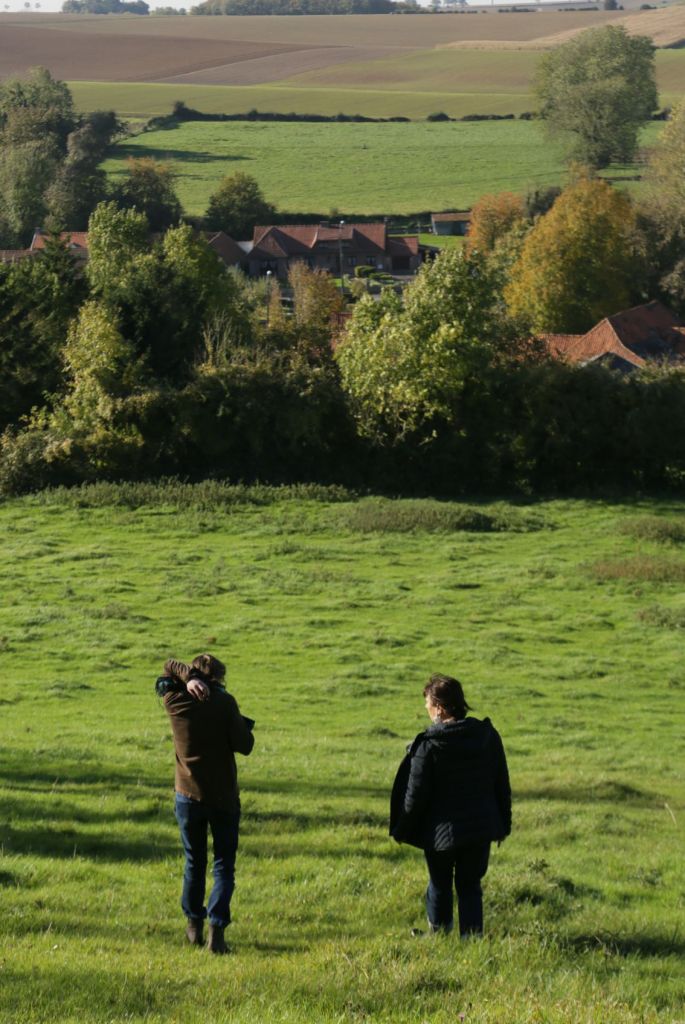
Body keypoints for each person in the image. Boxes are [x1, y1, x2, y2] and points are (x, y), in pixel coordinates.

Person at [390, 673, 511, 938]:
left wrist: (401, 828)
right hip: (480, 829)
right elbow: (501, 783)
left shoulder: (429, 745)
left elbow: (415, 796)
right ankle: (472, 939)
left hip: (441, 834)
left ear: (440, 708)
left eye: (428, 703)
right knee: (470, 885)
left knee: (440, 883)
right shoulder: (487, 737)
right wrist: (504, 824)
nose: (425, 708)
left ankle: (439, 935)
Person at [155, 653, 255, 954]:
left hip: (187, 796)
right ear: (219, 679)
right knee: (223, 866)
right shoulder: (225, 703)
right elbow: (245, 746)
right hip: (223, 797)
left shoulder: (174, 701)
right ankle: (217, 934)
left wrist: (188, 678)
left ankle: (193, 926)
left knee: (194, 862)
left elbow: (168, 663)